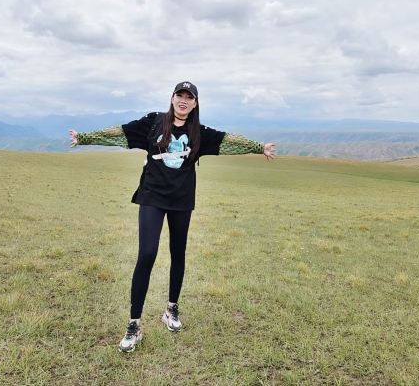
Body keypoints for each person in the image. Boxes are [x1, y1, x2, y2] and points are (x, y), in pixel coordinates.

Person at [69, 81, 276, 353]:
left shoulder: (199, 132)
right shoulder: (154, 122)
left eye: (189, 97)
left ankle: (171, 309)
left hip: (181, 200)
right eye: (180, 95)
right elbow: (120, 132)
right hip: (152, 197)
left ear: (195, 103)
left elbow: (228, 141)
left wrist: (259, 147)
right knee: (147, 254)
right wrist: (85, 138)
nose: (183, 100)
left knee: (178, 253)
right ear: (172, 98)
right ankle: (134, 324)